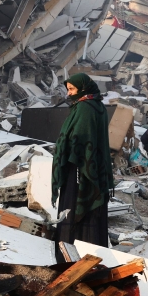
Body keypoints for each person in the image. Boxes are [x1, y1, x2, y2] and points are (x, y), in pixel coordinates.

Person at [51, 73, 113, 257]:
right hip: (92, 169)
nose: (69, 94)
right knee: (90, 212)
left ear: (83, 88)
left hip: (78, 168)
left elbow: (78, 138)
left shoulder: (85, 107)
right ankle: (91, 253)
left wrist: (63, 148)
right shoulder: (97, 105)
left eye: (72, 89)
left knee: (74, 208)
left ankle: (69, 254)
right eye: (68, 89)